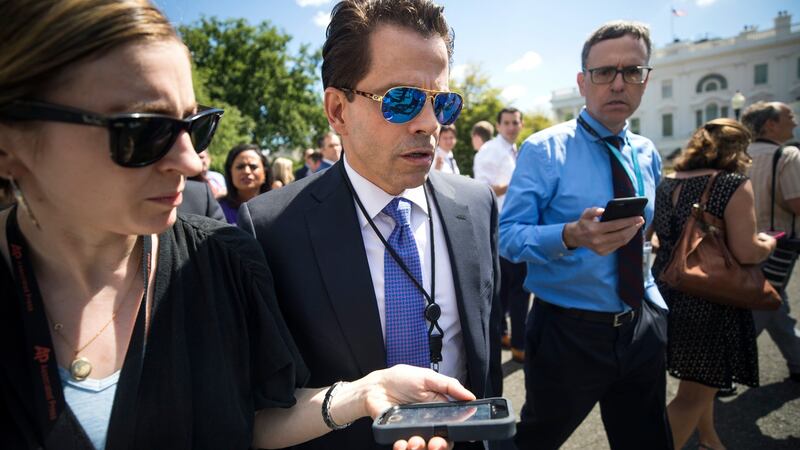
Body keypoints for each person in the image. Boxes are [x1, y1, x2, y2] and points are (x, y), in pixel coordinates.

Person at [0, 2, 472, 449]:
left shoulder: (220, 264)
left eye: (194, 127)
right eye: (142, 131)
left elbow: (254, 422)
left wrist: (362, 393)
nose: (189, 161)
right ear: (10, 142)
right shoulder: (261, 234)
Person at [238, 1, 503, 449]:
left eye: (443, 103)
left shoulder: (476, 205)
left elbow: (486, 360)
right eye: (401, 101)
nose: (429, 124)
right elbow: (256, 406)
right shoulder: (271, 229)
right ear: (338, 110)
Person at [500, 21, 672, 449]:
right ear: (582, 81)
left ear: (646, 80)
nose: (618, 84)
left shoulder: (647, 152)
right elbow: (507, 236)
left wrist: (655, 308)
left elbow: (646, 232)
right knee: (536, 440)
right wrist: (570, 236)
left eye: (632, 71)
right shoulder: (543, 149)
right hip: (568, 332)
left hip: (640, 326)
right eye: (604, 73)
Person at [651, 118, 777, 450]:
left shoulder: (668, 182)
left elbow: (657, 240)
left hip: (666, 292)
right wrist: (768, 243)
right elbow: (747, 252)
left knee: (697, 381)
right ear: (737, 149)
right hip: (708, 296)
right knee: (693, 394)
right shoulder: (732, 183)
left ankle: (709, 439)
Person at [742, 101, 800, 383]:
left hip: (743, 242)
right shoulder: (787, 156)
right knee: (765, 304)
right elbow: (796, 202)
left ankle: (798, 360)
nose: (795, 120)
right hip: (779, 246)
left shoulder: (740, 156)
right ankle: (722, 363)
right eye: (789, 116)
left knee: (775, 306)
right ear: (770, 125)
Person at [474, 108, 527, 362]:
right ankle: (519, 345)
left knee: (508, 288)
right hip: (500, 226)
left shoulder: (515, 150)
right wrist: (514, 183)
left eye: (515, 122)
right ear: (498, 125)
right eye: (506, 122)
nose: (511, 127)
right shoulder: (490, 151)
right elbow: (482, 190)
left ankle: (506, 336)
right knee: (516, 289)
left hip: (516, 224)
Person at [219, 143, 271, 225]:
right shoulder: (218, 209)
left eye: (253, 167)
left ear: (265, 171)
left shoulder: (278, 207)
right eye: (240, 167)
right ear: (230, 172)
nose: (246, 171)